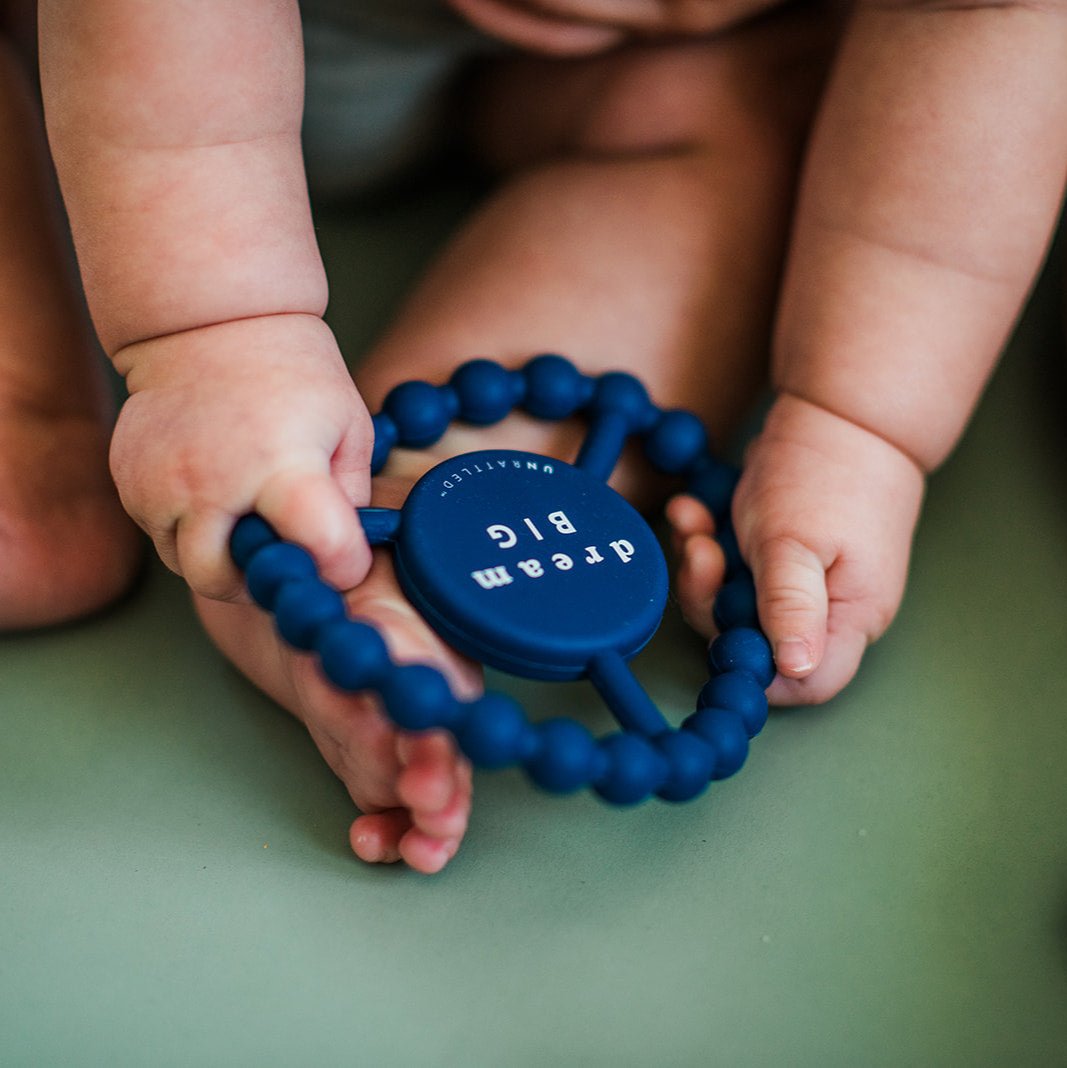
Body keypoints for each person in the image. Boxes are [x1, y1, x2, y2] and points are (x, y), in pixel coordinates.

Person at [15, 0, 1064, 872]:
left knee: (734, 116)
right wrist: (212, 334)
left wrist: (857, 422)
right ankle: (27, 402)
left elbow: (988, 23)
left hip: (589, 69)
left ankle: (423, 525)